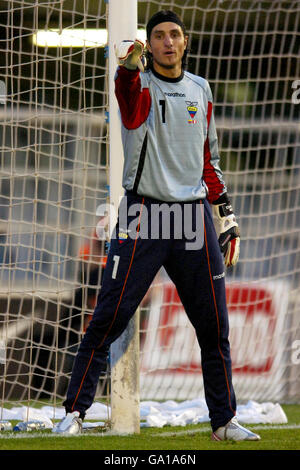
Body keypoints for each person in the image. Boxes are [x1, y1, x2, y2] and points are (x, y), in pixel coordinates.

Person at [53, 10, 260, 441]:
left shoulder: (201, 90)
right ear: (150, 45)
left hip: (192, 216)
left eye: (175, 35)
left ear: (185, 42)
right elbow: (129, 103)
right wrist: (129, 65)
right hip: (142, 213)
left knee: (214, 326)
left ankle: (224, 421)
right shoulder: (138, 85)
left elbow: (210, 161)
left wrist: (228, 218)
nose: (168, 42)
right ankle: (74, 413)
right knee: (108, 317)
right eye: (159, 37)